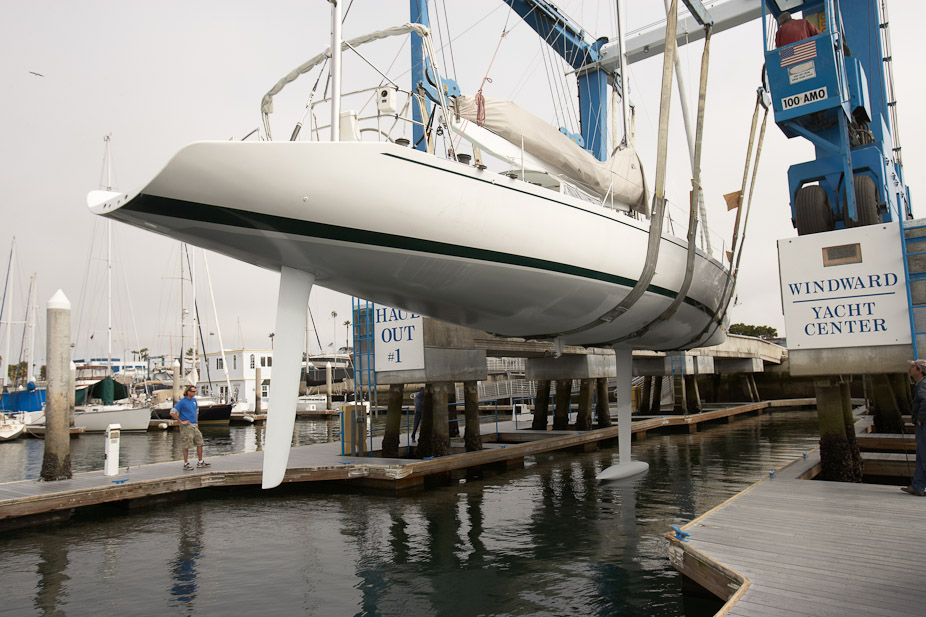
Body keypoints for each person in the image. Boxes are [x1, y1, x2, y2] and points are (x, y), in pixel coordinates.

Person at [170, 385, 211, 470]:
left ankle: (200, 461)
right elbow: (172, 412)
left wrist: (196, 422)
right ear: (188, 392)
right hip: (186, 426)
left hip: (194, 425)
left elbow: (196, 411)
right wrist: (181, 421)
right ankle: (186, 463)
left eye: (195, 391)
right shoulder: (182, 402)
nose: (194, 393)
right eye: (193, 391)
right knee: (186, 444)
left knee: (200, 441)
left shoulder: (194, 400)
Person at [903, 359, 926, 496]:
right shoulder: (920, 384)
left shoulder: (923, 385)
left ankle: (919, 485)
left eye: (913, 367)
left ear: (920, 371)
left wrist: (920, 419)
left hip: (924, 425)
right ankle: (917, 485)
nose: (910, 369)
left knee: (923, 455)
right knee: (920, 455)